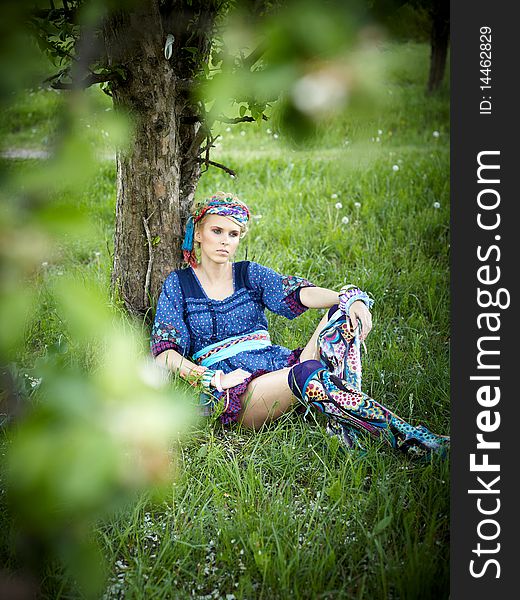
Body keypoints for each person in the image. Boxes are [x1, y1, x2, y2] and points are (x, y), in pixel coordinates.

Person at [151, 192, 449, 457]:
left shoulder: (248, 274)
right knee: (305, 372)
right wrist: (210, 379)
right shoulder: (179, 285)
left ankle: (345, 426)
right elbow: (165, 351)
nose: (226, 241)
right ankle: (409, 438)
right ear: (199, 233)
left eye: (234, 234)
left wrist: (349, 296)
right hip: (238, 387)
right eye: (217, 231)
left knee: (341, 311)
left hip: (275, 364)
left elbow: (298, 294)